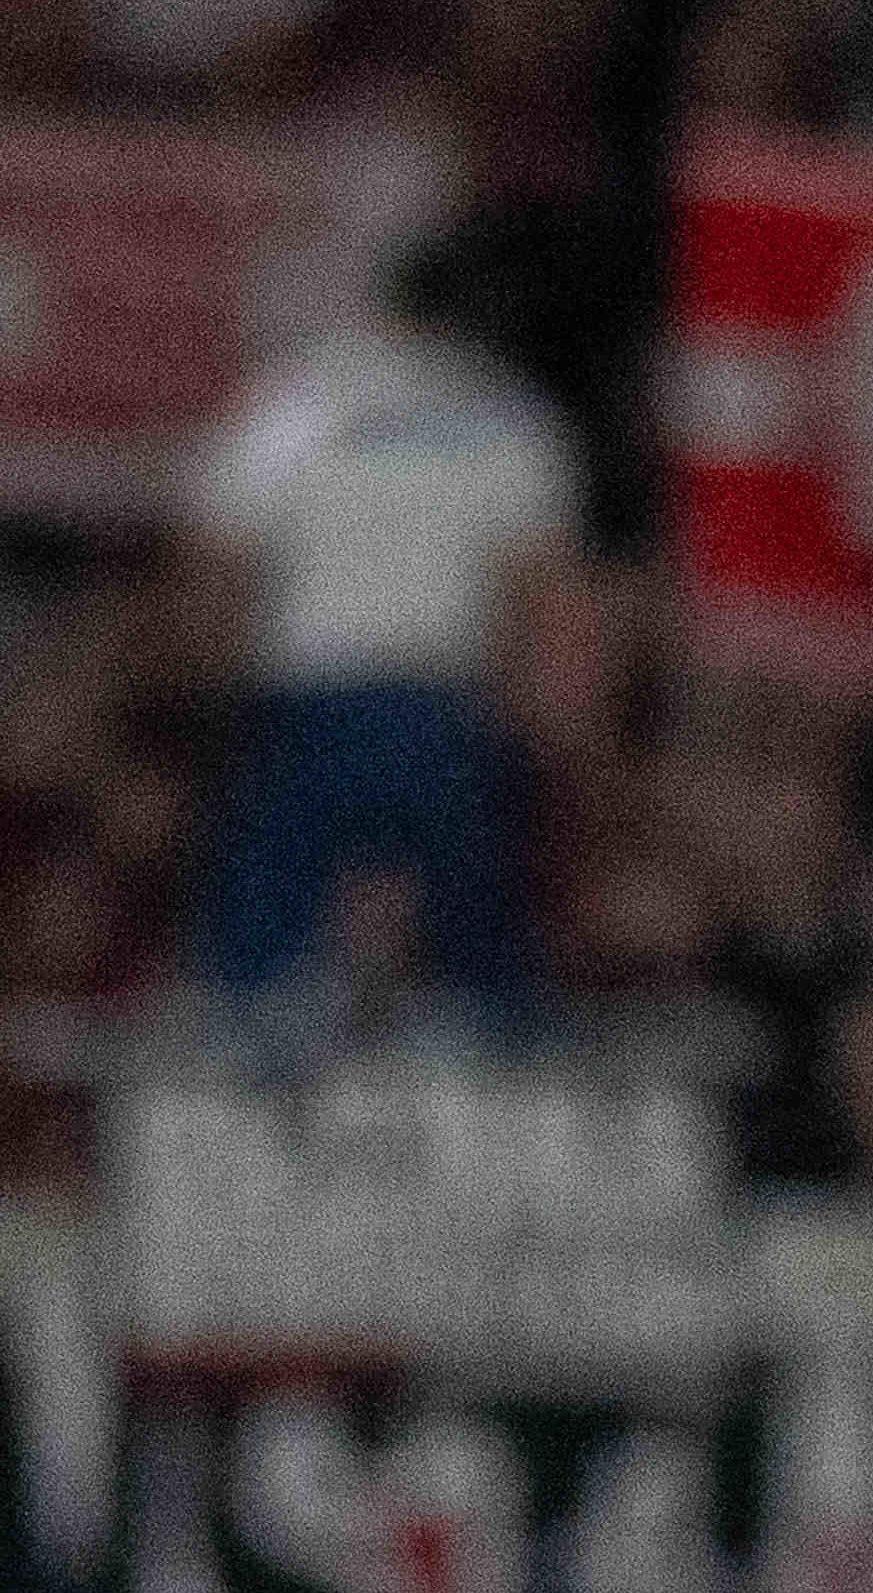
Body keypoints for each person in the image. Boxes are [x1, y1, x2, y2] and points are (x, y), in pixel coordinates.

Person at [172, 246, 574, 1017]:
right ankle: (493, 1045)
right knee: (475, 942)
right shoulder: (502, 415)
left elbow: (219, 557)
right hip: (441, 709)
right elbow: (538, 586)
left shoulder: (291, 406)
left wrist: (203, 696)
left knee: (259, 946)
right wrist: (543, 723)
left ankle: (239, 1042)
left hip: (309, 704)